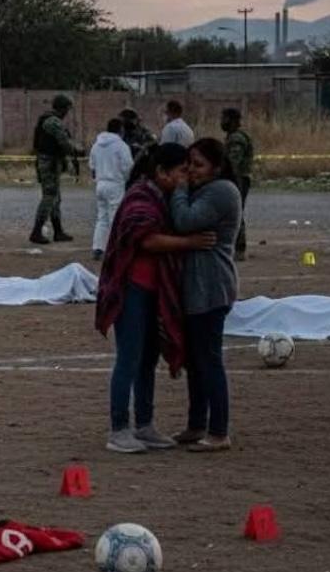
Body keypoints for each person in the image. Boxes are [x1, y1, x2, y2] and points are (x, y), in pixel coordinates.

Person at [95, 143, 216, 453]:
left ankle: (145, 425)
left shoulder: (163, 198)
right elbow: (146, 240)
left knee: (147, 360)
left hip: (153, 292)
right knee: (129, 358)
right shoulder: (140, 197)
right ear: (162, 172)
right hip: (131, 289)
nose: (184, 178)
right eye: (180, 172)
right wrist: (189, 242)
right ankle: (119, 429)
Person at [169, 138, 242, 453]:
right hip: (197, 289)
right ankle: (196, 424)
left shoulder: (221, 191)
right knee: (196, 362)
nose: (192, 172)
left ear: (217, 166)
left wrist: (180, 188)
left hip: (211, 288)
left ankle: (218, 431)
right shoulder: (207, 190)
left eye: (198, 166)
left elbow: (184, 220)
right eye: (188, 166)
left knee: (209, 361)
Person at [30, 94, 85, 244]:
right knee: (49, 196)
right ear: (63, 108)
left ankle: (58, 231)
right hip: (49, 163)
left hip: (50, 162)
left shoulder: (48, 120)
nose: (68, 112)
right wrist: (78, 151)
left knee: (55, 198)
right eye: (67, 108)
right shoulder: (53, 122)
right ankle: (36, 231)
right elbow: (64, 142)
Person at [89, 118, 134, 261]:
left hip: (100, 183)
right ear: (120, 129)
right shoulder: (121, 146)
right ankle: (115, 248)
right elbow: (128, 167)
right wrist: (125, 179)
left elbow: (92, 166)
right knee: (115, 217)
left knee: (102, 217)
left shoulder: (96, 145)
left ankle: (98, 247)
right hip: (115, 184)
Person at [221, 108, 254, 262]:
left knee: (236, 212)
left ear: (232, 120)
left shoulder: (236, 139)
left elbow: (233, 162)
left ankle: (239, 248)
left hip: (238, 179)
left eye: (224, 118)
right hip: (237, 178)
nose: (222, 121)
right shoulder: (232, 137)